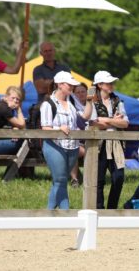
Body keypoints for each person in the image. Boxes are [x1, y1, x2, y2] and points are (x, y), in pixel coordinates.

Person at [40, 71, 93, 209]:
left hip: (72, 146)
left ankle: (50, 213)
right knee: (60, 180)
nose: (72, 87)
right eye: (69, 84)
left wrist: (89, 101)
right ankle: (65, 213)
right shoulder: (48, 103)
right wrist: (59, 129)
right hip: (54, 145)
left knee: (60, 182)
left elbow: (83, 119)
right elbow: (45, 128)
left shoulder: (71, 103)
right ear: (60, 84)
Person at [90, 70, 129, 209]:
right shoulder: (92, 101)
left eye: (112, 82)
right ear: (100, 84)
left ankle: (112, 209)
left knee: (118, 178)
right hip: (98, 144)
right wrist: (114, 121)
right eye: (109, 82)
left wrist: (106, 120)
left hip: (116, 144)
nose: (112, 84)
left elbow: (125, 123)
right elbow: (94, 123)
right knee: (98, 180)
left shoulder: (117, 101)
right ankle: (98, 210)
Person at [69, 82, 89, 188]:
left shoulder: (93, 106)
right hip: (77, 139)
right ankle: (74, 179)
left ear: (87, 93)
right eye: (78, 92)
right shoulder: (71, 107)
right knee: (74, 149)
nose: (81, 94)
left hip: (90, 138)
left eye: (83, 91)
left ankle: (89, 179)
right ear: (74, 94)